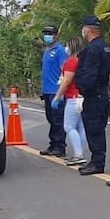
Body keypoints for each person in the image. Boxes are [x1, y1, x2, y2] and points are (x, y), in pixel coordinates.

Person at [73, 15, 110, 176]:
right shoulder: (104, 46)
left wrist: (82, 90)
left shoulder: (92, 49)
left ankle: (97, 162)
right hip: (102, 93)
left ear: (87, 30)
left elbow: (89, 74)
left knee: (94, 128)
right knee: (97, 128)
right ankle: (96, 160)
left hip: (93, 95)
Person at [50, 37, 87, 166]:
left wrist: (57, 97)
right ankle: (80, 153)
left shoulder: (71, 62)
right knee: (81, 127)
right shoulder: (82, 61)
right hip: (81, 97)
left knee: (69, 126)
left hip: (73, 98)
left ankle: (78, 155)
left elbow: (66, 81)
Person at [40, 25, 69, 157]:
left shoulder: (60, 50)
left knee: (58, 120)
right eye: (45, 33)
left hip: (56, 91)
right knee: (51, 118)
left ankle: (60, 146)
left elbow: (64, 70)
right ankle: (53, 144)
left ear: (56, 35)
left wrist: (61, 93)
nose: (47, 35)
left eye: (50, 33)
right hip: (47, 91)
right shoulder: (47, 50)